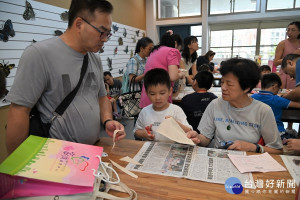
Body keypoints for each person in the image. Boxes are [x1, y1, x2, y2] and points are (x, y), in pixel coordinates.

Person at [5, 0, 126, 154]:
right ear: (79, 24)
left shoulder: (94, 58)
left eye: (108, 33)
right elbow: (19, 112)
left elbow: (102, 98)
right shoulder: (39, 54)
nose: (105, 39)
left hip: (92, 152)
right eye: (101, 32)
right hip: (55, 159)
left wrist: (107, 120)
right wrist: (16, 166)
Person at [187, 58, 283, 154]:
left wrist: (253, 147)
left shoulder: (263, 111)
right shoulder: (215, 104)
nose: (223, 88)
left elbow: (277, 150)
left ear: (246, 87)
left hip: (248, 163)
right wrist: (198, 138)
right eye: (222, 82)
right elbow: (206, 139)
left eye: (229, 84)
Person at [134, 68, 192, 142]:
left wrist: (175, 123)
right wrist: (144, 134)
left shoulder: (176, 110)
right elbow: (136, 131)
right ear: (147, 93)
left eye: (162, 93)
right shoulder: (145, 112)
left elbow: (189, 131)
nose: (157, 98)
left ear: (170, 91)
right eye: (152, 94)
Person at [140, 30, 185, 108]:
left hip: (149, 95)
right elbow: (173, 76)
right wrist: (181, 74)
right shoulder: (172, 51)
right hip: (160, 97)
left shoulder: (155, 51)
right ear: (176, 43)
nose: (179, 50)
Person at [251, 73, 300, 142]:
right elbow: (298, 105)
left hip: (257, 132)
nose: (278, 92)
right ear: (274, 86)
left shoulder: (252, 98)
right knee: (296, 138)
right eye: (278, 89)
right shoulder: (277, 99)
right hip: (277, 134)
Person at [274, 21, 300, 90]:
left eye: (293, 30)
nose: (289, 32)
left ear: (299, 32)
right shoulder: (283, 43)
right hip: (286, 73)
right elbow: (276, 62)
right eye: (288, 30)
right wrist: (291, 56)